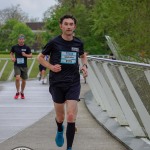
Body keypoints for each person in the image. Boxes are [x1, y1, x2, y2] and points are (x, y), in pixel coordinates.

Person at [37, 15, 88, 150]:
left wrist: (84, 66)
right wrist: (51, 67)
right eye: (66, 24)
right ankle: (60, 129)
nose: (69, 26)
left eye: (71, 24)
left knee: (71, 116)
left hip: (73, 82)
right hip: (57, 82)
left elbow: (83, 56)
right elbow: (40, 58)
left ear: (74, 27)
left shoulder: (78, 43)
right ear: (61, 26)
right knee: (60, 117)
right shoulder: (54, 42)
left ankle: (69, 147)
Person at [10, 34, 32, 99]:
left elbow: (31, 55)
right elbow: (11, 53)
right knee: (17, 78)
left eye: (22, 39)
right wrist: (12, 58)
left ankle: (22, 92)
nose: (21, 40)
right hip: (17, 65)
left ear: (24, 40)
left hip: (24, 66)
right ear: (18, 40)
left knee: (24, 80)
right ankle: (17, 92)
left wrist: (25, 55)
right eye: (20, 39)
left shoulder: (27, 47)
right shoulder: (15, 47)